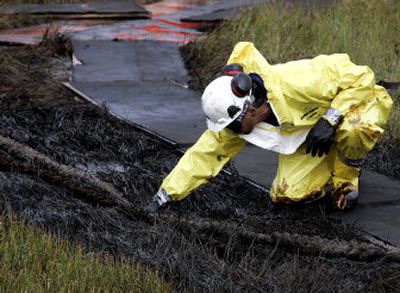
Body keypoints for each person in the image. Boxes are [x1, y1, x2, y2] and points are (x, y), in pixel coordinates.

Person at [145, 42, 393, 213]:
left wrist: (331, 118)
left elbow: (363, 77)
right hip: (312, 130)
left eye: (234, 126)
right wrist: (164, 196)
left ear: (250, 110)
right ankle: (329, 158)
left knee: (354, 129)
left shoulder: (298, 81)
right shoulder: (239, 119)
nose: (232, 132)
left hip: (359, 102)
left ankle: (347, 176)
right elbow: (203, 156)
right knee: (289, 195)